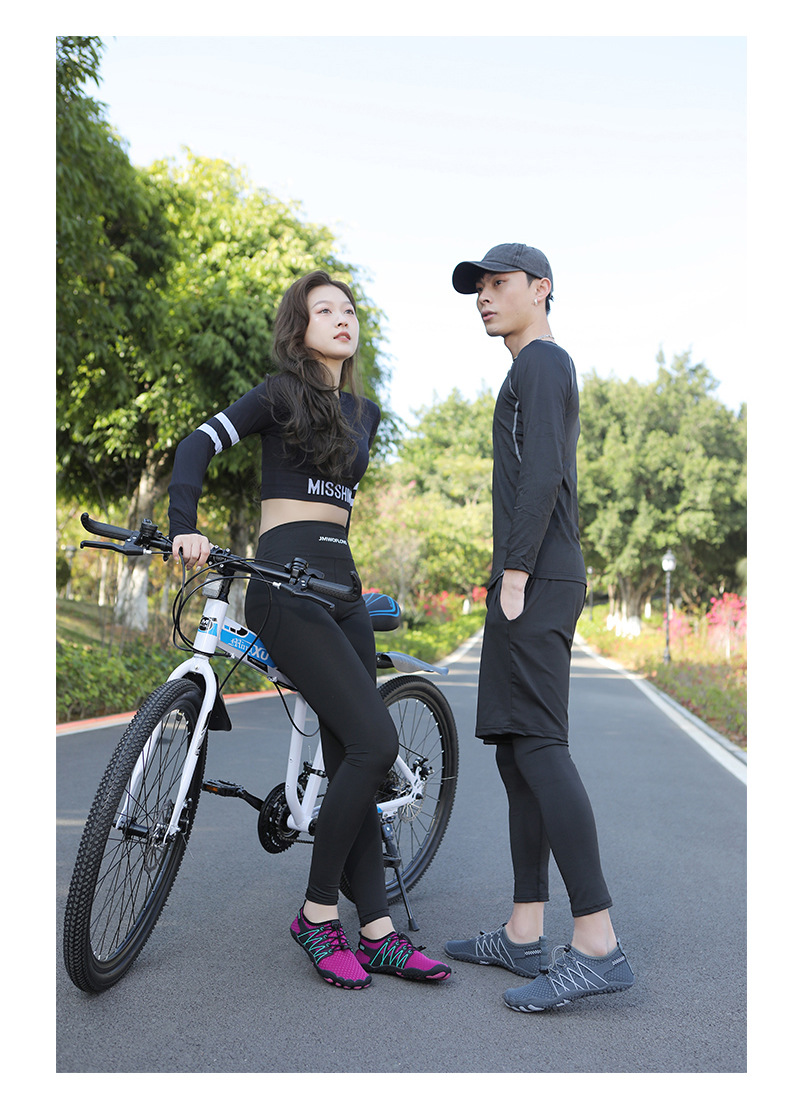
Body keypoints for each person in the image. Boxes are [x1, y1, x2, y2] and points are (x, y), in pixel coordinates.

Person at [168, 270, 451, 990]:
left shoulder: (365, 413)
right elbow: (197, 445)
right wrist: (183, 526)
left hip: (342, 589)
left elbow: (338, 504)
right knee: (377, 742)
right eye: (325, 309)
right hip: (282, 587)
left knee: (355, 751)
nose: (342, 318)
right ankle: (318, 914)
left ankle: (378, 931)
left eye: (349, 309)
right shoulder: (277, 394)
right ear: (300, 328)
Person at [444, 244, 634, 1012]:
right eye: (478, 289)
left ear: (541, 288)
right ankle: (525, 932)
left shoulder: (544, 362)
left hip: (539, 578)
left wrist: (516, 572)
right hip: (528, 576)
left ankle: (597, 944)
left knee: (542, 748)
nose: (485, 298)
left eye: (499, 284)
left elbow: (546, 468)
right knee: (517, 752)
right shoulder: (526, 368)